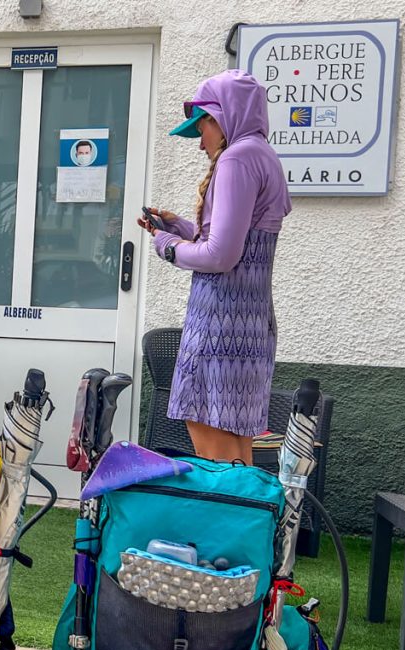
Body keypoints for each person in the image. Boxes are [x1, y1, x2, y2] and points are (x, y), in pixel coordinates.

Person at [139, 69, 291, 464]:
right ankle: (248, 526)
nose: (200, 141)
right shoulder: (263, 155)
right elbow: (241, 241)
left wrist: (167, 246)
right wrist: (183, 228)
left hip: (220, 325)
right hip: (249, 324)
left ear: (221, 119)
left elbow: (221, 256)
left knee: (216, 460)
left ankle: (230, 525)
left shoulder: (237, 159)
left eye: (201, 126)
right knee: (238, 456)